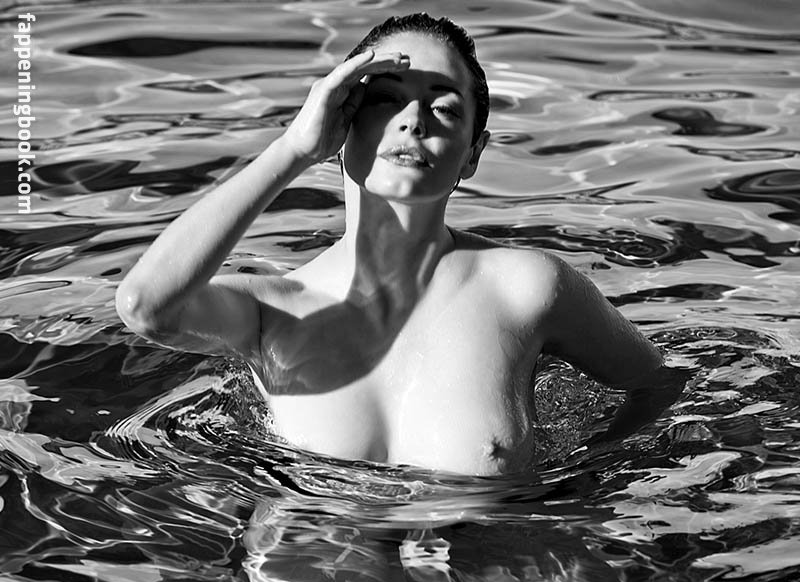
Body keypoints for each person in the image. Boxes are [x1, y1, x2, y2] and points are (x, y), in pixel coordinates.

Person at [116, 13, 688, 478]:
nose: (414, 120)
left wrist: (577, 485)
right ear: (340, 121)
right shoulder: (273, 310)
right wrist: (293, 149)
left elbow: (659, 385)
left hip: (491, 548)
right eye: (385, 99)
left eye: (444, 107)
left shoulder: (526, 286)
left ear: (473, 153)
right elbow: (145, 306)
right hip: (319, 548)